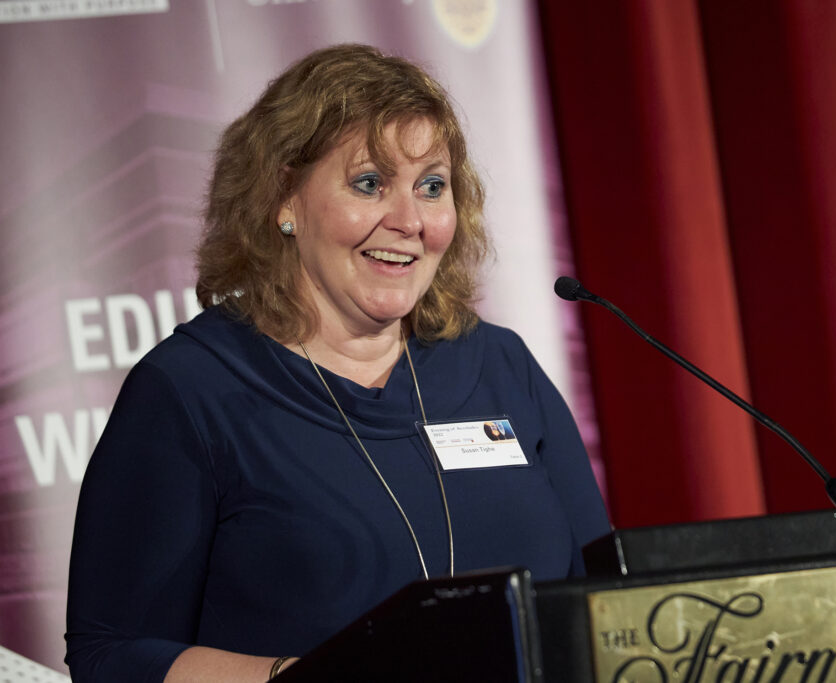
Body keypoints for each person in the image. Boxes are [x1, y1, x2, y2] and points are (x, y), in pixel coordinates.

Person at [64, 44, 609, 682]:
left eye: (432, 187)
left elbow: (603, 595)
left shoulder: (500, 365)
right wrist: (308, 678)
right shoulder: (190, 390)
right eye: (370, 183)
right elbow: (112, 653)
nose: (409, 220)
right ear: (284, 199)